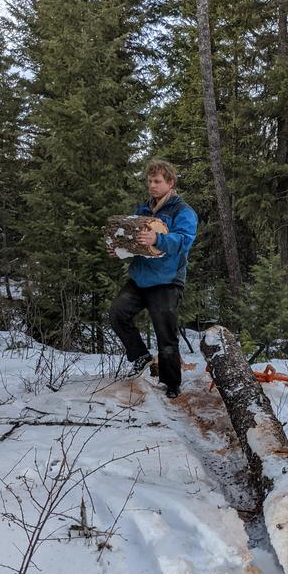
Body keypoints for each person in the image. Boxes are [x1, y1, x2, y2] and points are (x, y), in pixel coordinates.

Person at [109, 159, 197, 399]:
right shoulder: (143, 210)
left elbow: (184, 240)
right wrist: (119, 250)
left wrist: (158, 240)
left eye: (157, 181)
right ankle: (142, 359)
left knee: (165, 335)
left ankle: (171, 384)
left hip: (167, 281)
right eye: (149, 181)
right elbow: (131, 240)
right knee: (117, 313)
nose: (152, 185)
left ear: (170, 183)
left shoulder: (183, 212)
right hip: (140, 278)